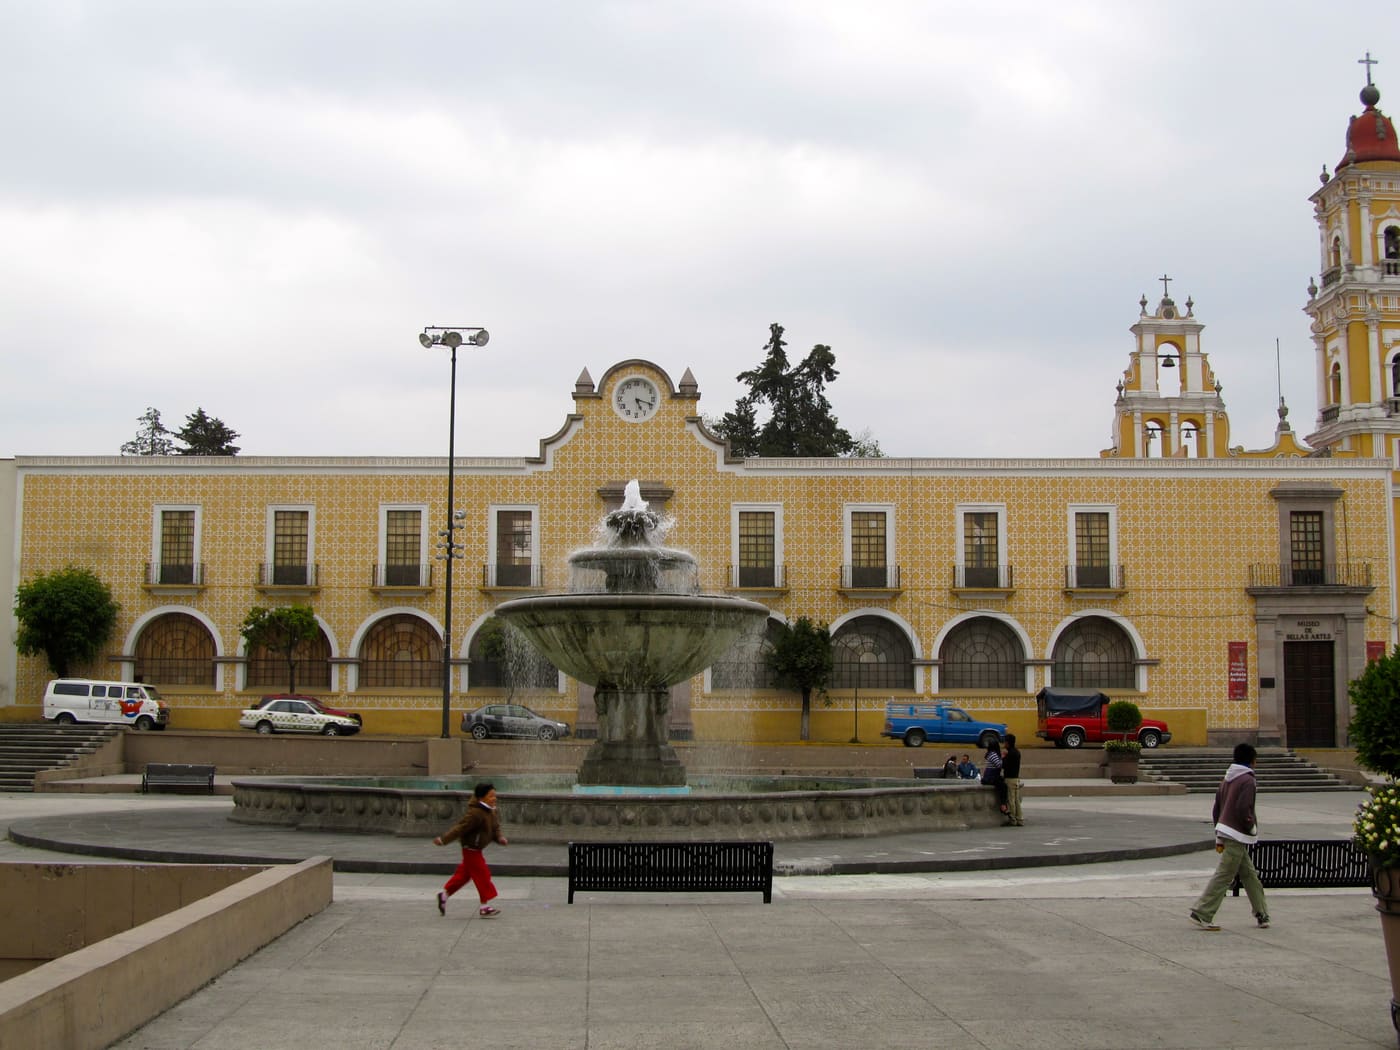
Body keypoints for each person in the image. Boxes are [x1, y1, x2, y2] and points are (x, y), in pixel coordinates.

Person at [1189, 742, 1270, 931]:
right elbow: (1244, 808)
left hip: (1226, 830)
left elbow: (1217, 806)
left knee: (1249, 875)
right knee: (1224, 875)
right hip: (1237, 833)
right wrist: (1250, 826)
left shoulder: (1227, 779)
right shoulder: (1248, 780)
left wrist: (1219, 830)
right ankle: (1202, 912)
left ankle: (1261, 913)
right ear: (1252, 760)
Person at [433, 781, 508, 918]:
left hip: (476, 849)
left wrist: (500, 838)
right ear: (481, 798)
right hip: (471, 849)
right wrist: (443, 840)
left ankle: (444, 895)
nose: (494, 799)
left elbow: (495, 827)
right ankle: (484, 907)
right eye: (491, 796)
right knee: (483, 876)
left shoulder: (490, 811)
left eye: (494, 796)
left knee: (463, 876)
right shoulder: (475, 814)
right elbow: (460, 828)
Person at [1002, 733, 1023, 826]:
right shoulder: (1017, 752)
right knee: (1017, 801)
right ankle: (1020, 819)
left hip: (1010, 779)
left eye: (1005, 742)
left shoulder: (1010, 753)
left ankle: (1013, 819)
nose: (1004, 743)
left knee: (1011, 800)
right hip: (1016, 778)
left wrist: (1003, 757)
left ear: (1008, 743)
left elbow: (1004, 765)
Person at [980, 740, 1006, 815]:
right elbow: (999, 765)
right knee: (1003, 786)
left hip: (991, 776)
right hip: (991, 777)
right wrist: (1003, 757)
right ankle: (1003, 804)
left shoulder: (991, 754)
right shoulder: (993, 754)